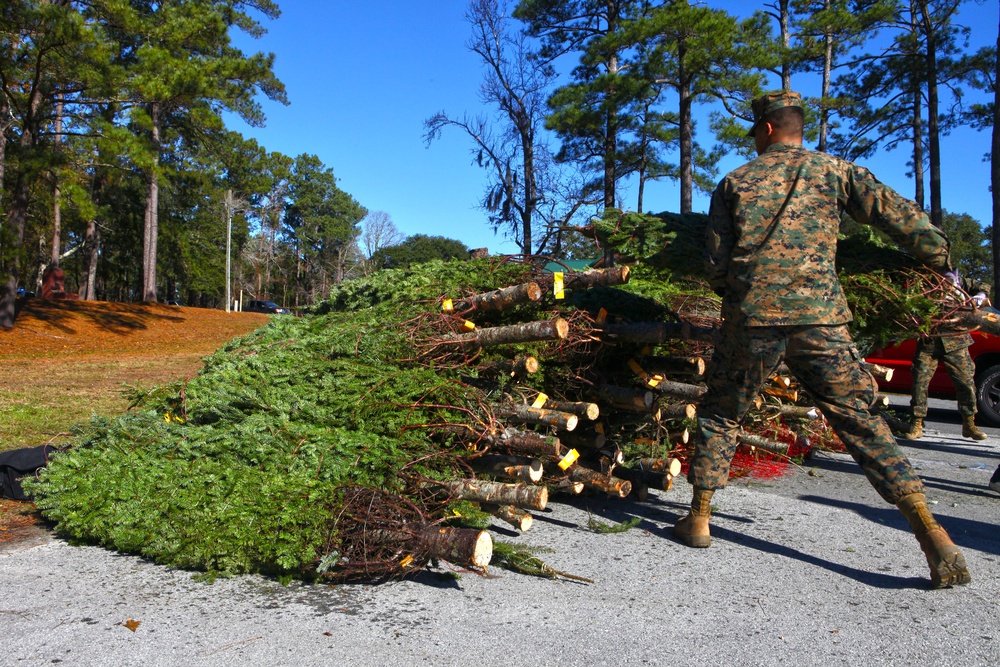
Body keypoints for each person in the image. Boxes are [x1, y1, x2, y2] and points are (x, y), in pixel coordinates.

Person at [673, 90, 971, 589]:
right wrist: (939, 258)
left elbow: (716, 265)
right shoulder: (836, 171)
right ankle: (931, 532)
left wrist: (735, 294)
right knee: (860, 422)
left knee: (723, 411)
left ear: (766, 129)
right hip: (821, 320)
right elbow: (898, 216)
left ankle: (699, 518)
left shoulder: (735, 181)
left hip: (753, 320)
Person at [904, 276, 990, 441]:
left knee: (966, 382)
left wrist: (981, 294)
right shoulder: (923, 282)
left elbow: (982, 284)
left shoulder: (958, 281)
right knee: (919, 382)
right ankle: (916, 423)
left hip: (956, 339)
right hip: (929, 340)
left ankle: (969, 424)